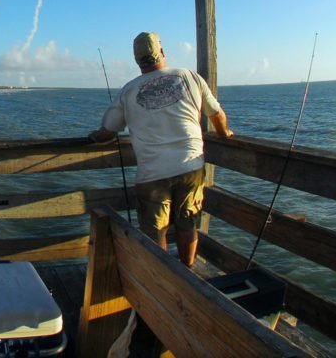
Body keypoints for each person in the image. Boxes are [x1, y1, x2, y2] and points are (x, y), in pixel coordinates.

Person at [88, 32, 234, 267]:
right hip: (191, 166)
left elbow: (108, 131)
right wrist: (223, 133)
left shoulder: (129, 90)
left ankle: (162, 277)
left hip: (152, 173)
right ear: (163, 53)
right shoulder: (189, 77)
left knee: (155, 232)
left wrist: (95, 136)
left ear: (137, 60)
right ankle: (187, 272)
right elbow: (216, 114)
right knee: (188, 222)